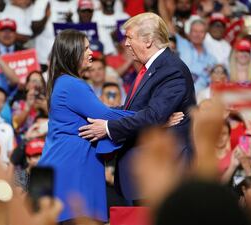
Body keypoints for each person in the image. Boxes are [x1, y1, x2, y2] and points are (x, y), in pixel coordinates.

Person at [79, 12, 196, 203]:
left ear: (148, 40)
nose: (125, 44)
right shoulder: (153, 68)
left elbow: (152, 116)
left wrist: (107, 128)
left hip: (164, 171)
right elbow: (132, 109)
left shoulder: (171, 69)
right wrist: (96, 113)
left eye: (129, 37)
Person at [37, 29, 136, 224]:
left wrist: (133, 111)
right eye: (86, 48)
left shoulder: (64, 82)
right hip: (72, 172)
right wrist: (152, 116)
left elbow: (106, 112)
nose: (91, 53)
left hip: (68, 168)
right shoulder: (71, 84)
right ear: (72, 52)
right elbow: (106, 115)